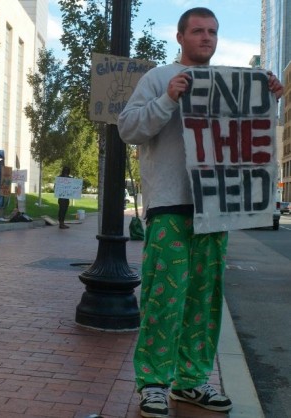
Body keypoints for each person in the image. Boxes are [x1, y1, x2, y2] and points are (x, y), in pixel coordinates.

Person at [117, 7, 284, 418]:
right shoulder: (158, 78)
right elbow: (129, 128)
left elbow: (248, 138)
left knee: (203, 300)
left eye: (212, 31)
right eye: (197, 31)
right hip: (171, 206)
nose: (206, 37)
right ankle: (154, 383)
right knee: (165, 298)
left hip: (217, 208)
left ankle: (191, 382)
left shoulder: (230, 82)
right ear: (180, 36)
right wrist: (167, 98)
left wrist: (268, 100)